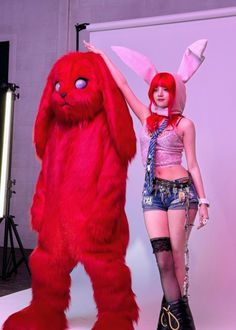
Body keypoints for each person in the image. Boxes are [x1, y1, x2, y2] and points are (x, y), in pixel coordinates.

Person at [84, 40, 209, 330]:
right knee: (163, 261)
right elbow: (124, 86)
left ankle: (177, 325)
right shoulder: (145, 118)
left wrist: (203, 202)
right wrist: (103, 57)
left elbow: (192, 164)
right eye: (156, 89)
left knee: (177, 259)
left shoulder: (184, 125)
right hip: (152, 194)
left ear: (176, 93)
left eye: (166, 89)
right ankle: (178, 322)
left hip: (180, 192)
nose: (160, 93)